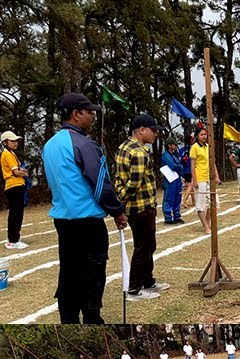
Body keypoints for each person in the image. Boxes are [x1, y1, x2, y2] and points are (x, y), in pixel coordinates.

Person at [41, 93, 128, 324]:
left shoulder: (49, 145)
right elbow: (100, 185)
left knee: (69, 271)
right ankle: (91, 317)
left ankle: (68, 318)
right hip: (87, 221)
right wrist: (117, 211)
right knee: (93, 271)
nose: (92, 116)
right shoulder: (84, 144)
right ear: (76, 114)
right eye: (89, 112)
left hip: (63, 220)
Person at [114, 114, 168, 301]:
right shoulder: (138, 152)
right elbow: (133, 183)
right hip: (141, 207)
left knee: (147, 245)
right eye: (153, 131)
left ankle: (148, 281)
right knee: (143, 247)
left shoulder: (123, 147)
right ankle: (134, 289)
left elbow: (118, 178)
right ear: (141, 130)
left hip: (138, 207)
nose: (155, 135)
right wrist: (121, 201)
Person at [2, 130, 31, 249]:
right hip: (14, 185)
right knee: (16, 214)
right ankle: (13, 240)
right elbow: (16, 172)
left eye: (16, 141)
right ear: (4, 142)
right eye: (12, 141)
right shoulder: (7, 154)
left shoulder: (11, 153)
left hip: (16, 185)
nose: (15, 143)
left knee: (16, 213)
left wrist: (22, 172)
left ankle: (14, 239)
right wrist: (24, 173)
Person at [189, 127, 214, 232]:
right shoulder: (194, 147)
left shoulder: (208, 146)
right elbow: (192, 165)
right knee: (200, 204)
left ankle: (207, 223)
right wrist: (194, 180)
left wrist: (216, 176)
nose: (204, 136)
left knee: (214, 203)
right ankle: (205, 226)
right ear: (197, 136)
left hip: (209, 178)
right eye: (202, 134)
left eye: (205, 134)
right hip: (200, 178)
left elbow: (212, 162)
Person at [159, 139, 184, 225]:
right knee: (169, 197)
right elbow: (173, 166)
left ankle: (177, 216)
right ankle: (168, 217)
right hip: (169, 179)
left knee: (178, 196)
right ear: (169, 145)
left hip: (177, 178)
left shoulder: (174, 155)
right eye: (174, 144)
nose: (176, 146)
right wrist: (180, 167)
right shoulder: (165, 155)